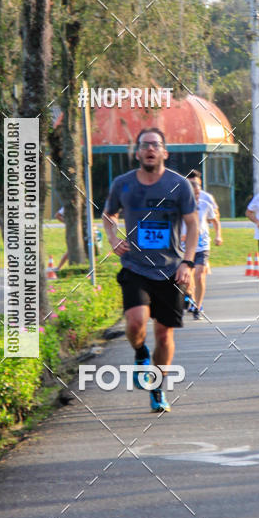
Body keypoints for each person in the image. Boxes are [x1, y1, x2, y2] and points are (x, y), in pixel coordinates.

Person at [103, 128, 199, 413]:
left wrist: (188, 262)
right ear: (137, 152)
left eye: (155, 145)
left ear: (164, 152)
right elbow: (109, 216)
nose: (150, 149)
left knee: (164, 334)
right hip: (136, 266)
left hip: (170, 269)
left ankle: (157, 389)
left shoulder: (179, 185)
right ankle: (139, 352)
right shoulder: (123, 184)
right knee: (135, 323)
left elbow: (192, 224)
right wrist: (112, 238)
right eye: (145, 145)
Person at [183, 175, 222, 319]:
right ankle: (190, 296)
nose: (198, 196)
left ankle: (198, 307)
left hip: (203, 245)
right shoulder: (181, 205)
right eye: (195, 193)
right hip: (185, 246)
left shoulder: (206, 204)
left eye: (199, 193)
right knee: (188, 277)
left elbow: (215, 221)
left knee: (199, 275)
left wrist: (218, 235)